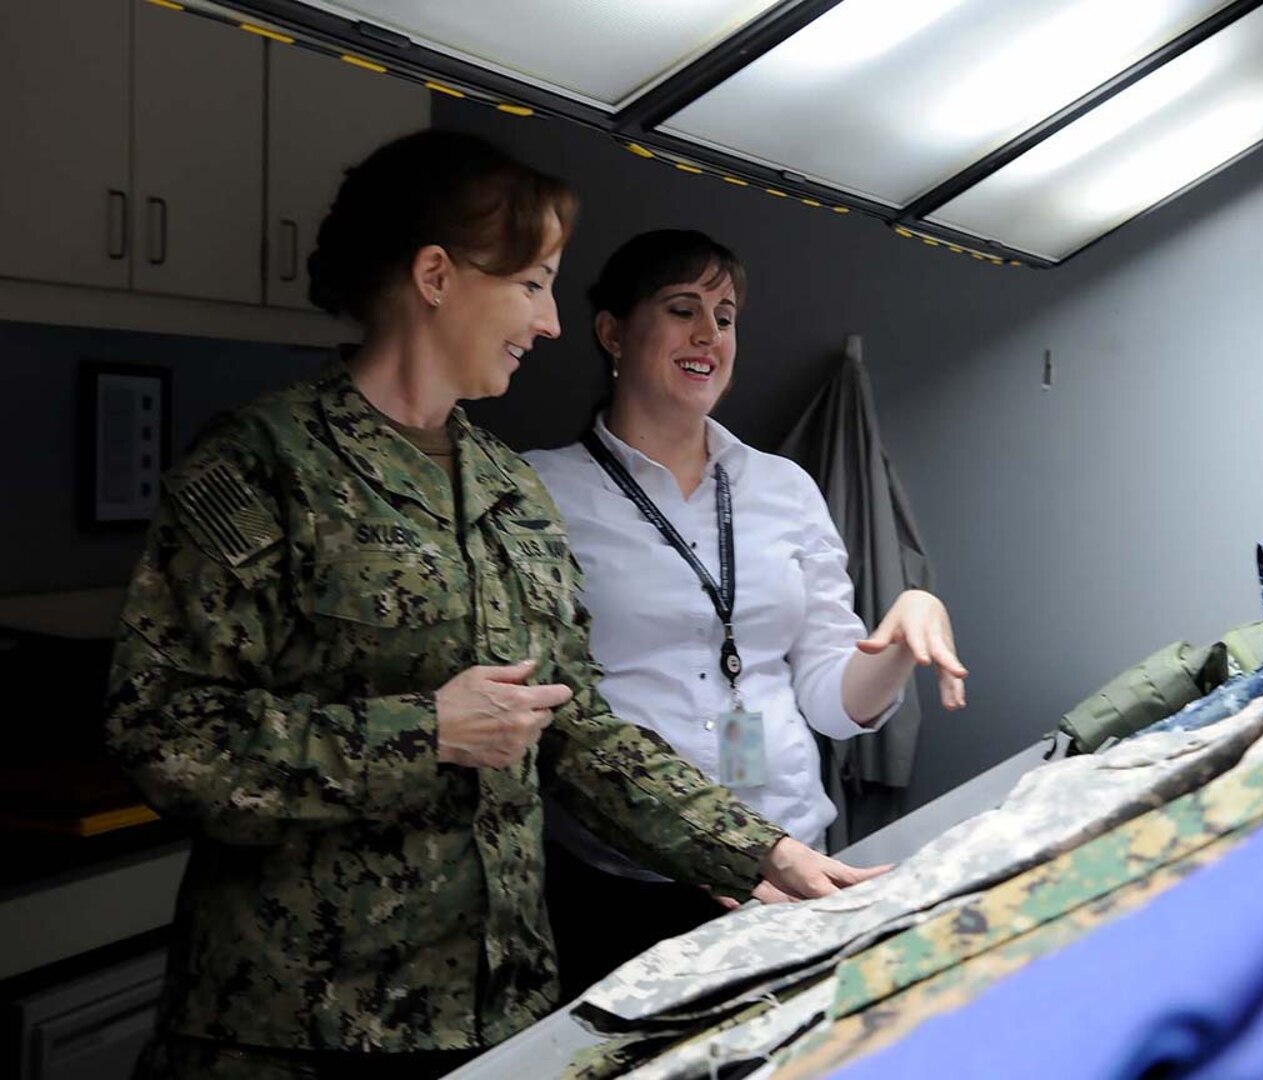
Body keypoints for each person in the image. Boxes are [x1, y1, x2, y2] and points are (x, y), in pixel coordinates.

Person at [104, 133, 879, 1080]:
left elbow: (576, 729)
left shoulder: (507, 487)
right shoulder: (263, 467)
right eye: (531, 284)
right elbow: (164, 737)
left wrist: (760, 852)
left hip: (497, 1006)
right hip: (300, 1018)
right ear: (436, 275)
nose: (550, 322)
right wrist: (424, 731)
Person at [523, 229, 968, 995]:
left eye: (725, 316)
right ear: (611, 332)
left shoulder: (784, 488)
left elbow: (832, 703)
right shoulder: (539, 490)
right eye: (682, 308)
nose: (709, 335)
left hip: (791, 857)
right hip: (628, 875)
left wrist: (901, 634)